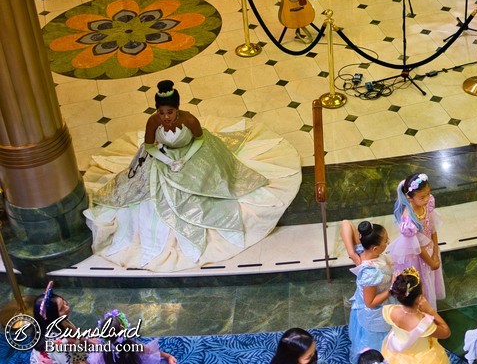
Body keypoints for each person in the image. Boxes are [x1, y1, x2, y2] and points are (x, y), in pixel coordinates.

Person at [84, 80, 299, 272]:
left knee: (204, 188)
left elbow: (198, 140)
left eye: (169, 112)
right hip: (163, 156)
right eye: (161, 112)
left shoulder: (189, 120)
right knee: (142, 193)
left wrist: (185, 159)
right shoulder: (153, 122)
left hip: (193, 153)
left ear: (177, 109)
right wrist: (167, 160)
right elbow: (149, 145)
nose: (165, 117)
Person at [386, 172, 445, 306]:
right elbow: (418, 247)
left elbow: (432, 228)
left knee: (431, 280)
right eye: (422, 197)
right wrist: (431, 262)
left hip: (430, 251)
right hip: (419, 257)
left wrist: (435, 251)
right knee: (422, 283)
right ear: (410, 197)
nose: (427, 199)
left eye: (428, 194)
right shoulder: (409, 220)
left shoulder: (428, 203)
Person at [341, 220, 394, 358]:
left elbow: (346, 223)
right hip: (375, 313)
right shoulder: (370, 272)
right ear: (375, 248)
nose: (388, 243)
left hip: (382, 302)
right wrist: (392, 290)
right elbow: (369, 303)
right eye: (386, 241)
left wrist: (352, 253)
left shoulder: (361, 251)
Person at [381, 268, 451, 363]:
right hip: (423, 359)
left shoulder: (390, 310)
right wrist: (430, 310)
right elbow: (446, 332)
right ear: (420, 298)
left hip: (397, 355)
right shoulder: (424, 324)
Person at [87, 309, 177, 364]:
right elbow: (150, 351)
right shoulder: (133, 346)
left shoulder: (100, 352)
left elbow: (93, 343)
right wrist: (168, 356)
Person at [31, 283, 79, 364]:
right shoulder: (57, 343)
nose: (67, 308)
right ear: (52, 316)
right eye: (62, 309)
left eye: (65, 303)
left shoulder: (48, 324)